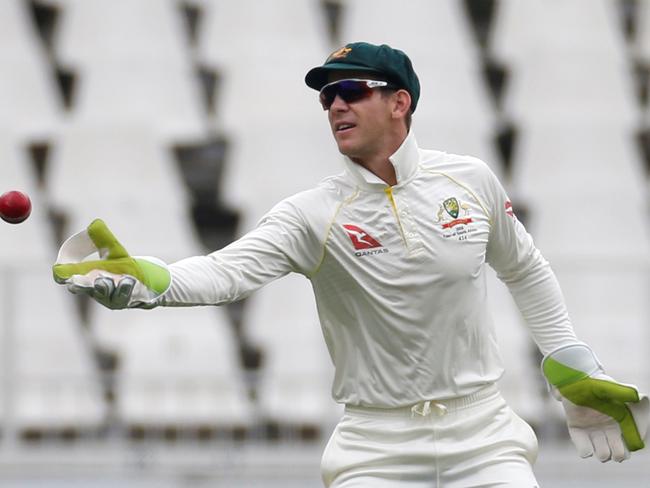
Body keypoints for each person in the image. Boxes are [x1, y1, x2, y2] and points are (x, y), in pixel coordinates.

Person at [53, 42, 648, 487]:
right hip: (375, 447)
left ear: (400, 101)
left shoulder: (469, 180)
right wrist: (144, 281)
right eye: (326, 97)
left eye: (352, 91)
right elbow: (223, 273)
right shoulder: (313, 213)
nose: (336, 104)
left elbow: (524, 268)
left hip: (484, 436)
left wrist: (568, 361)